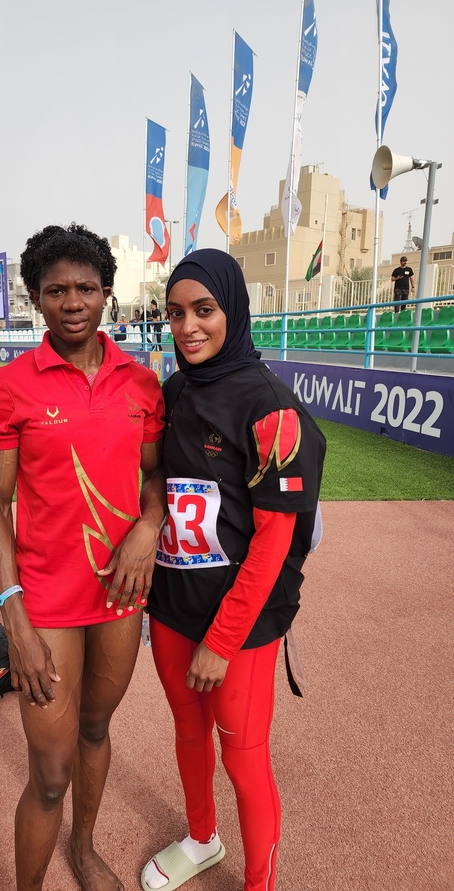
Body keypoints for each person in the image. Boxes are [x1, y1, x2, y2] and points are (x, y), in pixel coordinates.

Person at [0, 222, 166, 891]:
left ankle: (83, 851)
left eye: (86, 288)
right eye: (56, 290)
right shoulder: (9, 387)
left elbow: (154, 476)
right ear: (36, 298)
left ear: (107, 294)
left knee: (93, 728)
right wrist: (13, 619)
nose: (73, 302)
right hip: (45, 602)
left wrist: (148, 524)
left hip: (117, 594)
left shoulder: (141, 384)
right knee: (50, 771)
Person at [141, 249, 326, 891]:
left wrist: (221, 641)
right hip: (171, 605)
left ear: (232, 310)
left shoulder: (272, 405)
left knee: (243, 757)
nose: (187, 326)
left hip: (240, 624)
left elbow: (274, 544)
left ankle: (260, 882)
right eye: (174, 314)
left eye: (204, 310)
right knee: (188, 737)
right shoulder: (172, 392)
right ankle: (201, 839)